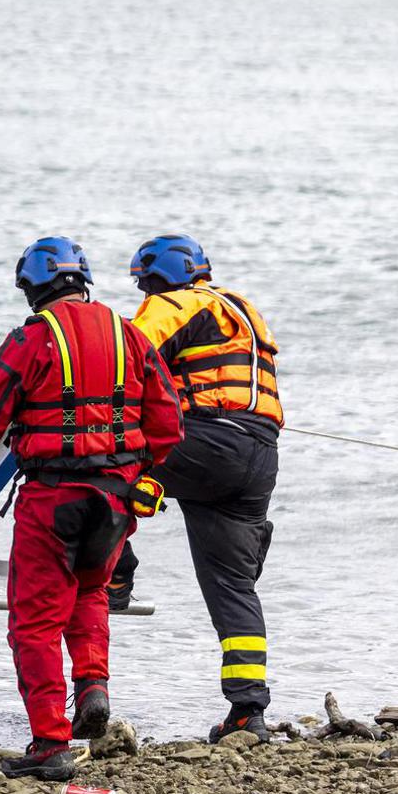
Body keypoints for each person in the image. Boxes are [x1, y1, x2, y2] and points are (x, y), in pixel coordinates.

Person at [0, 237, 182, 780]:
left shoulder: (32, 338)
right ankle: (93, 687)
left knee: (33, 622)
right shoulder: (129, 334)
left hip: (53, 497)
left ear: (32, 287)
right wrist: (142, 474)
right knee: (92, 591)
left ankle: (51, 743)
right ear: (83, 280)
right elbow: (168, 421)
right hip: (118, 498)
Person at [121, 234, 283, 743]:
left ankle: (115, 574)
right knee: (233, 586)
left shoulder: (176, 303)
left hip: (208, 443)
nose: (141, 290)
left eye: (142, 281)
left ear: (157, 276)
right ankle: (248, 711)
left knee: (101, 461)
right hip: (259, 456)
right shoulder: (242, 309)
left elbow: (120, 355)